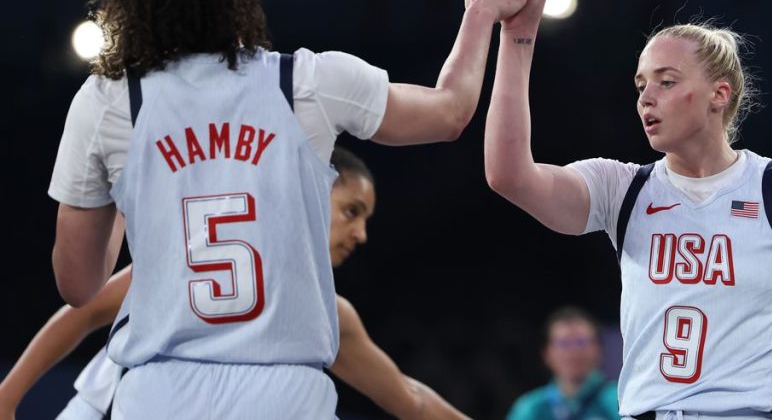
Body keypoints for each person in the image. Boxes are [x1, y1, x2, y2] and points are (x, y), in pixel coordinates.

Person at [48, 0, 552, 418]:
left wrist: (130, 190)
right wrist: (481, 13)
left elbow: (78, 285)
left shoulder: (108, 102)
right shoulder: (303, 81)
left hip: (159, 394)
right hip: (284, 392)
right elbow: (450, 112)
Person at [481, 0, 772, 419]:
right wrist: (517, 35)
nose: (646, 98)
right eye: (641, 85)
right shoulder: (621, 188)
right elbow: (508, 174)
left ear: (719, 94)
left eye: (666, 82)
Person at [4, 148, 469, 420]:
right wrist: (7, 397)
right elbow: (85, 311)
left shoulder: (328, 312)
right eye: (352, 211)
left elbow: (410, 398)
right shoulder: (209, 261)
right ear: (309, 193)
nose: (362, 234)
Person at [507, 307, 618, 420]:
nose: (574, 351)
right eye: (563, 343)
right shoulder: (530, 408)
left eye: (582, 342)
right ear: (546, 354)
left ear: (599, 350)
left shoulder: (618, 400)